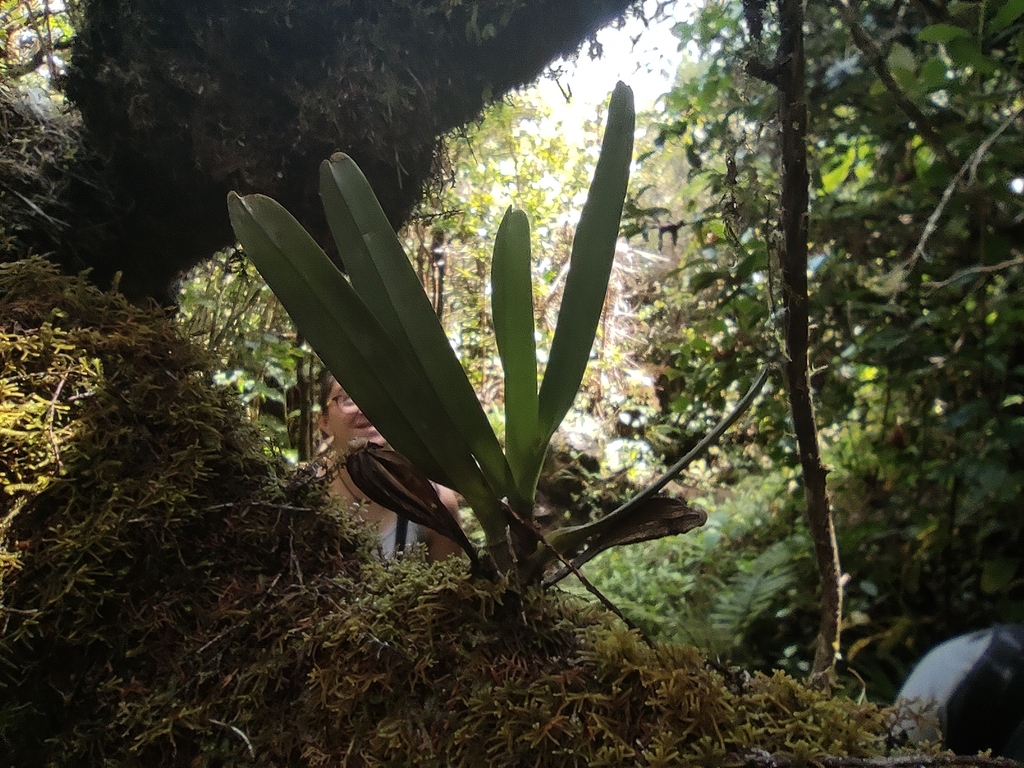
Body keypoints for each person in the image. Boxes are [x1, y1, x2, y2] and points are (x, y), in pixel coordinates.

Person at [316, 373, 464, 562]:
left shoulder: (435, 503)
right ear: (324, 421)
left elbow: (450, 579)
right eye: (348, 398)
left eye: (376, 395)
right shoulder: (301, 493)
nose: (364, 408)